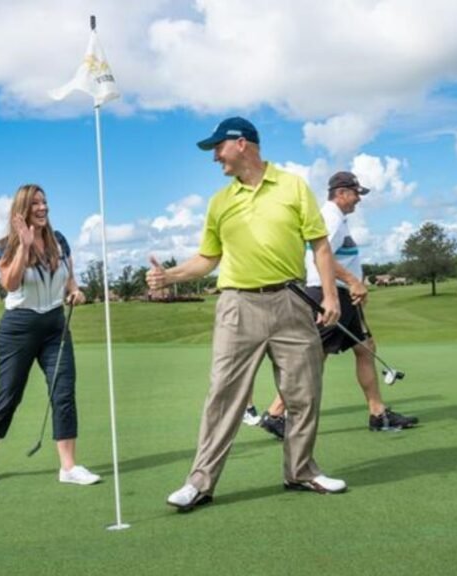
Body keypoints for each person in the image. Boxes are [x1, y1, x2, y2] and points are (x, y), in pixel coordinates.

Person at [147, 117, 346, 513]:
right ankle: (199, 483)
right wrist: (169, 276)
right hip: (238, 306)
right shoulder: (219, 202)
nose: (215, 157)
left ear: (242, 144)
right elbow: (208, 259)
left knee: (303, 393)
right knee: (223, 395)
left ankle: (301, 471)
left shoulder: (293, 186)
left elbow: (320, 246)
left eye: (218, 148)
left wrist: (329, 295)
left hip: (291, 301)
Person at [257, 171, 418, 440]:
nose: (358, 199)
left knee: (366, 348)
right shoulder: (330, 217)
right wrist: (353, 281)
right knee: (313, 359)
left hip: (342, 296)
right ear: (341, 193)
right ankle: (275, 414)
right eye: (356, 193)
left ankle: (378, 414)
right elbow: (321, 257)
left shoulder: (338, 219)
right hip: (328, 295)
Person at [0, 183, 100, 486]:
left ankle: (68, 467)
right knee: (9, 394)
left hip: (55, 325)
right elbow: (10, 283)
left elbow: (70, 281)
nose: (42, 208)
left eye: (44, 202)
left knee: (64, 391)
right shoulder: (6, 244)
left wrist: (76, 293)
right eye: (35, 204)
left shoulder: (59, 241)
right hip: (18, 328)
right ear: (22, 210)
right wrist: (25, 245)